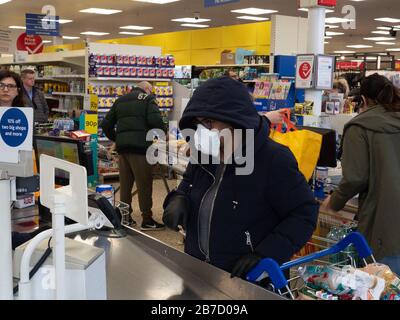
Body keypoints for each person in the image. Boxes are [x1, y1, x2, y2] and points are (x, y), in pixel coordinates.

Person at [163, 77, 319, 279]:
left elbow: (304, 213)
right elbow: (188, 184)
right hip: (199, 271)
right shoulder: (202, 152)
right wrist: (178, 198)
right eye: (198, 123)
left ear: (235, 120)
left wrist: (266, 254)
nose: (201, 131)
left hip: (248, 278)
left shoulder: (273, 159)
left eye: (209, 122)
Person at [322, 73, 400, 275]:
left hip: (385, 226)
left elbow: (355, 177)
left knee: (380, 286)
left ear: (363, 100)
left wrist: (334, 202)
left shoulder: (361, 126)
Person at [101, 81, 166, 231]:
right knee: (144, 184)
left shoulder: (120, 100)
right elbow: (155, 120)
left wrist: (118, 138)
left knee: (125, 185)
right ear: (148, 89)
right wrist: (163, 134)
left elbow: (105, 125)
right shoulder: (149, 99)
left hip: (123, 150)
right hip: (141, 149)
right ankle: (147, 220)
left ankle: (125, 218)